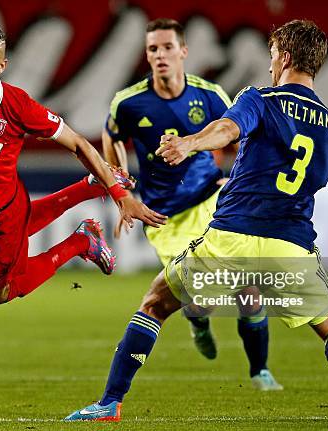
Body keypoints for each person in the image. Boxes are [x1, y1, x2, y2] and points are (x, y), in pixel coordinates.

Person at [65, 19, 328, 422]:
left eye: (272, 55)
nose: (271, 64)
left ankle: (110, 402)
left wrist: (189, 143)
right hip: (290, 247)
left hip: (231, 237)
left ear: (285, 57)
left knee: (154, 305)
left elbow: (226, 129)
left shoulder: (261, 98)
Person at [0, 23, 166, 306]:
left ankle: (80, 242)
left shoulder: (16, 106)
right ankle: (88, 189)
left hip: (0, 215)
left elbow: (78, 143)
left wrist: (121, 196)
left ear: (1, 65)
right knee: (19, 229)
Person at [102, 18, 282, 390]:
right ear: (147, 54)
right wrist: (121, 188)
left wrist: (232, 178)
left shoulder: (210, 94)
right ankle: (199, 320)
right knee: (198, 300)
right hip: (165, 219)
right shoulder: (129, 102)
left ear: (183, 51)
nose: (160, 55)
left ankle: (260, 371)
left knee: (247, 287)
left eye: (168, 47)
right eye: (153, 49)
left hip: (213, 203)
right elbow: (111, 135)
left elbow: (240, 138)